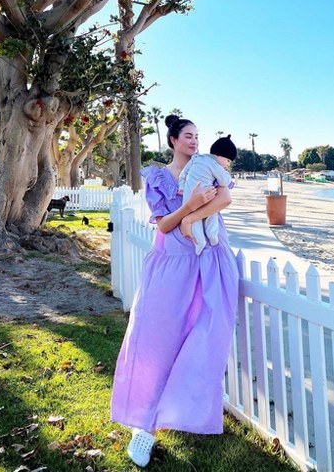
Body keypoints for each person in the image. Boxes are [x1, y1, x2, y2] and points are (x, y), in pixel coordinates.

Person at [110, 115, 239, 468]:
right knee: (157, 341)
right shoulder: (159, 178)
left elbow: (225, 198)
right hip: (171, 264)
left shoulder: (209, 167)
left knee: (205, 338)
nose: (194, 141)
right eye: (187, 136)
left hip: (208, 261)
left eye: (197, 135)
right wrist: (188, 208)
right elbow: (165, 226)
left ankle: (184, 410)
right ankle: (144, 427)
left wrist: (192, 219)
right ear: (172, 140)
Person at [178, 135, 237, 255]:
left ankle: (199, 241)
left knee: (194, 218)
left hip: (189, 195)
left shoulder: (197, 158)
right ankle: (212, 235)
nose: (228, 165)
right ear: (219, 155)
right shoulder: (215, 165)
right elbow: (224, 181)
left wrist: (182, 187)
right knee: (211, 213)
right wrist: (226, 173)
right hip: (207, 195)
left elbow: (184, 173)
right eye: (228, 160)